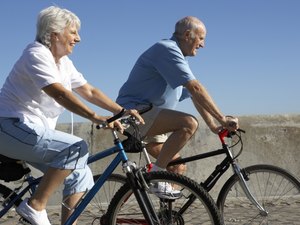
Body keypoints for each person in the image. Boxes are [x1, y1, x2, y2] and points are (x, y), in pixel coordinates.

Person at [0, 6, 143, 225]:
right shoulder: (36, 54)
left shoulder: (64, 63)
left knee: (80, 173)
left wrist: (120, 111)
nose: (78, 38)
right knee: (76, 148)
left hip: (32, 132)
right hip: (9, 125)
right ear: (55, 33)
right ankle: (35, 206)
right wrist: (96, 117)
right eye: (73, 32)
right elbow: (59, 93)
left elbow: (89, 91)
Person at [116, 16, 238, 198]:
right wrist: (223, 118)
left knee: (177, 166)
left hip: (149, 116)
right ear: (188, 35)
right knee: (188, 123)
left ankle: (161, 215)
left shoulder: (177, 58)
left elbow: (194, 97)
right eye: (201, 38)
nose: (203, 45)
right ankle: (154, 178)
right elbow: (196, 88)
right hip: (133, 113)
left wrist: (214, 126)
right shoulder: (167, 50)